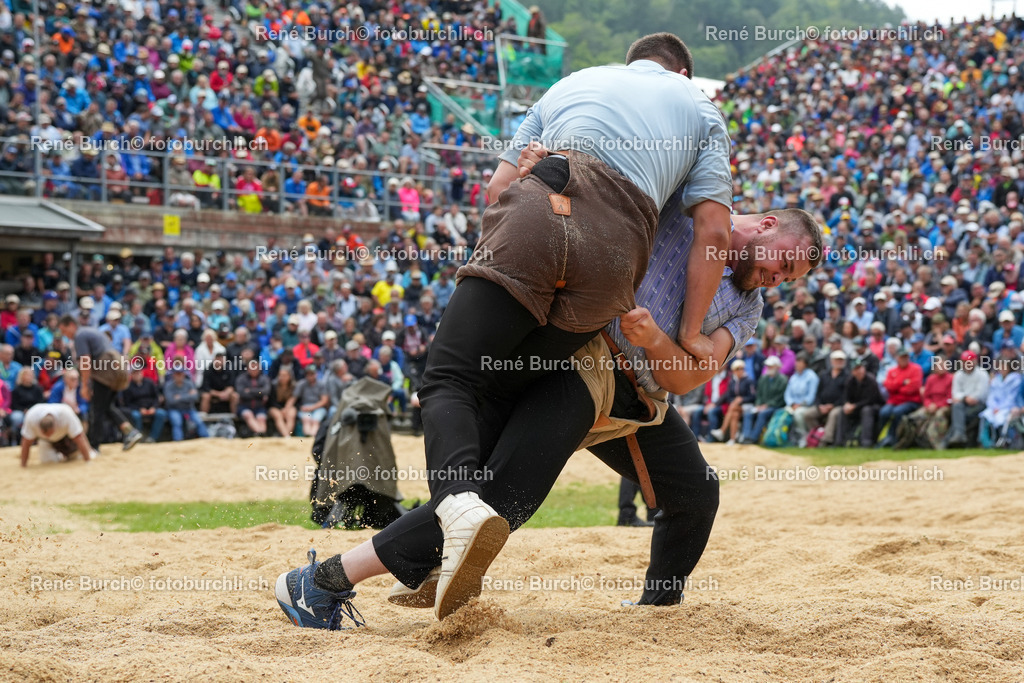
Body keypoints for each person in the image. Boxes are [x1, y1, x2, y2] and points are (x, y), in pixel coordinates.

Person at [276, 189, 821, 627]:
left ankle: (657, 614)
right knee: (503, 500)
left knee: (695, 491)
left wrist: (656, 341)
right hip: (581, 358)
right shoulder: (681, 210)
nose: (776, 279)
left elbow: (689, 376)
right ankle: (321, 581)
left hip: (640, 399)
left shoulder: (747, 305)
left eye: (788, 280)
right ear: (768, 224)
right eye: (784, 264)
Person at [414, 32, 734, 617]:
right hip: (616, 257)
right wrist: (691, 332)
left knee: (455, 379)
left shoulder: (569, 84)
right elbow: (713, 230)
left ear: (631, 61)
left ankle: (451, 510)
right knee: (518, 384)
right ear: (683, 74)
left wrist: (500, 266)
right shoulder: (700, 107)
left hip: (542, 208)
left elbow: (499, 189)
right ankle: (434, 545)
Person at [58, 315, 142, 451]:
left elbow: (85, 361)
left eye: (64, 330)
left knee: (96, 410)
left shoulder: (80, 335)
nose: (64, 335)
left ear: (71, 325)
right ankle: (130, 432)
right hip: (117, 368)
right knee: (105, 406)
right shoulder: (90, 331)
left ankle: (93, 446)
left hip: (106, 369)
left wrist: (84, 385)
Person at [19, 402, 95, 467]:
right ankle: (58, 455)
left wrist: (88, 460)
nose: (49, 435)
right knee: (48, 462)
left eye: (50, 433)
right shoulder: (31, 417)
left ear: (55, 426)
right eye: (46, 433)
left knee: (75, 457)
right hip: (45, 442)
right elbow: (26, 442)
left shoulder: (66, 413)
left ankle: (86, 452)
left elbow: (79, 437)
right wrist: (23, 464)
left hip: (66, 438)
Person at [876, 346, 923, 448]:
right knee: (884, 412)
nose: (904, 359)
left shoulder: (916, 369)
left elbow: (913, 388)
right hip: (894, 401)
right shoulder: (892, 371)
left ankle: (894, 438)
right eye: (902, 357)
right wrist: (902, 382)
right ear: (897, 358)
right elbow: (888, 386)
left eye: (906, 357)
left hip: (911, 401)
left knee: (897, 412)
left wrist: (897, 388)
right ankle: (879, 438)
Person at [943, 351, 990, 448]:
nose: (966, 364)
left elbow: (981, 394)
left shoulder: (982, 374)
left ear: (975, 361)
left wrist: (967, 397)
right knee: (957, 408)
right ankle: (958, 436)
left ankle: (948, 440)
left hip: (979, 405)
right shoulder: (958, 375)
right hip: (963, 404)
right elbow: (955, 393)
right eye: (964, 361)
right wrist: (965, 398)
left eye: (969, 361)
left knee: (958, 415)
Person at [739, 355, 786, 444]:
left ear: (777, 367)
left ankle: (753, 438)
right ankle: (746, 436)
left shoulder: (783, 380)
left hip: (775, 406)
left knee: (762, 414)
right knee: (748, 413)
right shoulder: (763, 378)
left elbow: (780, 397)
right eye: (768, 366)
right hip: (762, 406)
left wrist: (767, 405)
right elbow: (759, 395)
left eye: (771, 366)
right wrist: (758, 405)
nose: (768, 368)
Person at [709, 359, 754, 444]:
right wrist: (735, 400)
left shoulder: (748, 380)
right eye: (737, 369)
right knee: (734, 415)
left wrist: (742, 399)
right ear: (733, 371)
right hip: (736, 407)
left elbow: (753, 396)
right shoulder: (732, 382)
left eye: (741, 368)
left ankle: (722, 430)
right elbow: (729, 397)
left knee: (733, 407)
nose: (740, 371)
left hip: (748, 405)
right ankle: (732, 439)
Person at [842, 359, 884, 448]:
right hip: (858, 407)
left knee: (866, 410)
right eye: (857, 369)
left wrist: (854, 406)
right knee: (842, 411)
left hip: (875, 406)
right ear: (853, 372)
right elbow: (846, 396)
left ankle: (866, 441)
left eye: (861, 368)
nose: (860, 371)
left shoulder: (871, 379)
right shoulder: (850, 381)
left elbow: (871, 399)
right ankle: (842, 441)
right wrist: (847, 404)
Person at [120, 367, 166, 443]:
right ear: (131, 375)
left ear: (142, 373)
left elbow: (156, 398)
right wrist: (139, 409)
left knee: (161, 413)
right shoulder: (128, 386)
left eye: (138, 372)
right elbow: (127, 403)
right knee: (136, 415)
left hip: (151, 408)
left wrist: (154, 407)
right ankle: (139, 437)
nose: (137, 375)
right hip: (136, 409)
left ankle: (152, 438)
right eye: (135, 373)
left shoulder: (149, 383)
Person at [164, 364, 209, 442]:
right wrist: (188, 395)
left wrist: (179, 397)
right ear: (173, 375)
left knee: (198, 421)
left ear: (184, 374)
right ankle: (178, 441)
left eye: (180, 373)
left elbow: (195, 397)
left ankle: (206, 439)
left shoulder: (189, 383)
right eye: (177, 374)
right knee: (177, 422)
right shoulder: (168, 385)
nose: (179, 376)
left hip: (189, 409)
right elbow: (170, 401)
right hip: (174, 409)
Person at [235, 359, 271, 436]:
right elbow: (242, 393)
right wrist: (259, 393)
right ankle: (259, 433)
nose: (254, 370)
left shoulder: (264, 378)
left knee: (261, 418)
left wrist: (250, 391)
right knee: (248, 415)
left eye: (256, 367)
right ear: (248, 368)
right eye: (252, 367)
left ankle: (261, 433)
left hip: (259, 406)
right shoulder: (241, 378)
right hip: (244, 406)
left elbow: (265, 391)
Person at [294, 364, 328, 437]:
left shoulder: (321, 384)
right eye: (308, 374)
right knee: (306, 419)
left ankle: (313, 436)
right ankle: (307, 436)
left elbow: (324, 401)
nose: (310, 376)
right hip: (305, 407)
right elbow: (294, 398)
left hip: (318, 408)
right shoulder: (301, 384)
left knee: (315, 420)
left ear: (316, 374)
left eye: (312, 374)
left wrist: (311, 408)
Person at [268, 367, 299, 438]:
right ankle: (286, 435)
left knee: (291, 414)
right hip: (275, 407)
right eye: (280, 375)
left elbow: (296, 401)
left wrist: (286, 409)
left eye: (284, 375)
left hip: (289, 407)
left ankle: (286, 435)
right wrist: (281, 409)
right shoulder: (273, 386)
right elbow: (271, 401)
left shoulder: (294, 387)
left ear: (289, 376)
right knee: (277, 415)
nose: (282, 377)